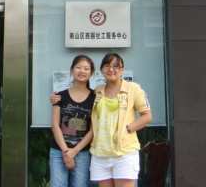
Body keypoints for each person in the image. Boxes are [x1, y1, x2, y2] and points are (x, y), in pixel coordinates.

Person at [54, 53, 152, 187]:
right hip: (100, 153)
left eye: (116, 66)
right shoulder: (98, 91)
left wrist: (127, 129)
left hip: (124, 152)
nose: (111, 69)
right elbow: (78, 99)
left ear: (122, 70)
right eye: (107, 66)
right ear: (101, 70)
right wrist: (55, 98)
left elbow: (147, 116)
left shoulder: (133, 89)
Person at [50, 55, 96, 187]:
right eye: (78, 67)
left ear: (91, 73)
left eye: (86, 68)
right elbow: (55, 126)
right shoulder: (59, 96)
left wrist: (74, 151)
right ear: (71, 70)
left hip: (82, 152)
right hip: (59, 151)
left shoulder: (95, 98)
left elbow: (93, 130)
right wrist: (66, 152)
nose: (82, 71)